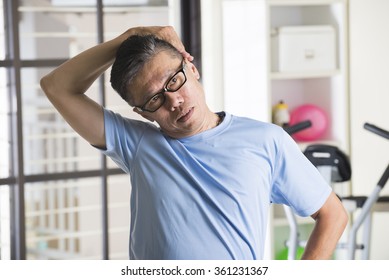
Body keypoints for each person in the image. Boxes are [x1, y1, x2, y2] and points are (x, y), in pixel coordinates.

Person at [40, 26, 348, 260]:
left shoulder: (267, 140)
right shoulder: (136, 145)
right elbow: (56, 87)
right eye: (155, 99)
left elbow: (332, 214)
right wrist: (131, 36)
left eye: (174, 80)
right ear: (141, 112)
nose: (173, 100)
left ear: (192, 68)